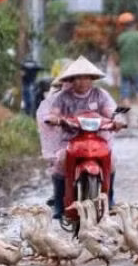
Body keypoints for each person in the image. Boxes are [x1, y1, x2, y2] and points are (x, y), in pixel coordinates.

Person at [38, 56, 124, 219]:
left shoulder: (100, 95)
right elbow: (53, 113)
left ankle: (110, 199)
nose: (81, 82)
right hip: (70, 141)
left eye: (85, 77)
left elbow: (111, 111)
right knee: (61, 160)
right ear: (71, 79)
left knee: (112, 160)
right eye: (77, 78)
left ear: (92, 79)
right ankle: (59, 201)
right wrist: (54, 118)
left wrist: (117, 120)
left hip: (97, 139)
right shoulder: (63, 97)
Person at [114, 12, 138, 127]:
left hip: (124, 70)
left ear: (122, 26)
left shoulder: (120, 38)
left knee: (125, 95)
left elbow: (117, 57)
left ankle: (127, 119)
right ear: (134, 24)